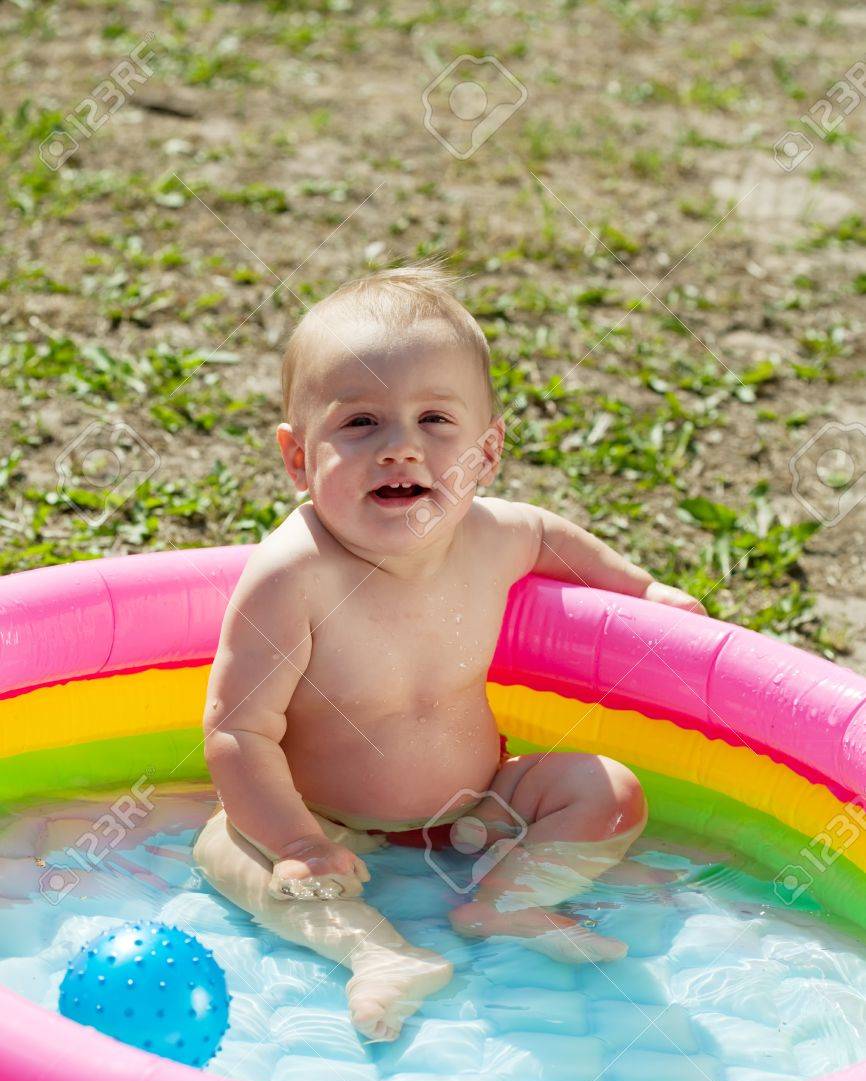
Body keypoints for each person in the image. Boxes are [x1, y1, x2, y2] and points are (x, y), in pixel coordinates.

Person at [193, 264, 705, 1041]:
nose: (401, 447)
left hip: (483, 805)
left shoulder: (494, 535)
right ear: (298, 457)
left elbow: (551, 536)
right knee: (225, 846)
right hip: (328, 820)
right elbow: (237, 730)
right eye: (361, 423)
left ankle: (507, 901)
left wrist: (643, 592)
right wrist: (297, 842)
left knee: (609, 791)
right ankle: (377, 952)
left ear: (486, 451)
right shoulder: (292, 576)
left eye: (435, 419)